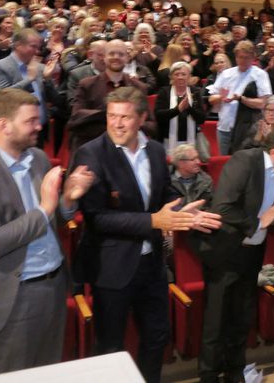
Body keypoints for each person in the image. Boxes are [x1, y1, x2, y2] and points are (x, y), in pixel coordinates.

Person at [70, 87, 221, 383]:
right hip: (111, 268)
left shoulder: (154, 150)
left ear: (141, 118)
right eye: (112, 116)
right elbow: (95, 217)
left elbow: (164, 193)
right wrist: (154, 220)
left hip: (151, 265)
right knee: (110, 346)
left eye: (125, 117)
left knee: (156, 336)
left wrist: (182, 213)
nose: (117, 124)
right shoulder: (90, 153)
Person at [0, 88, 95, 375]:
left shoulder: (38, 158)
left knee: (48, 373)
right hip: (11, 296)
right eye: (31, 121)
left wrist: (68, 199)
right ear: (4, 125)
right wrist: (45, 208)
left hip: (53, 285)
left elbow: (52, 223)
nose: (39, 126)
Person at [197, 126, 274, 383]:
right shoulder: (244, 161)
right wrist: (259, 222)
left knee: (242, 320)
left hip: (253, 254)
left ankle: (235, 374)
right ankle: (209, 377)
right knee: (216, 323)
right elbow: (223, 207)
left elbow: (270, 213)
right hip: (225, 254)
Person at [208, 40, 271, 154]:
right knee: (224, 161)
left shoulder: (260, 75)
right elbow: (211, 99)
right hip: (224, 127)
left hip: (248, 129)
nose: (243, 60)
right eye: (240, 57)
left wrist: (241, 99)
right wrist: (221, 97)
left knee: (244, 161)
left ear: (253, 57)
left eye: (247, 57)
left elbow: (263, 103)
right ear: (235, 57)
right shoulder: (226, 74)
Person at [154, 61, 206, 153]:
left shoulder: (195, 92)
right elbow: (159, 116)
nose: (180, 77)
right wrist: (177, 110)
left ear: (189, 76)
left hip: (191, 141)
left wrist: (189, 108)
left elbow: (201, 118)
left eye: (183, 74)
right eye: (177, 74)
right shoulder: (164, 92)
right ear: (171, 77)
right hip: (167, 141)